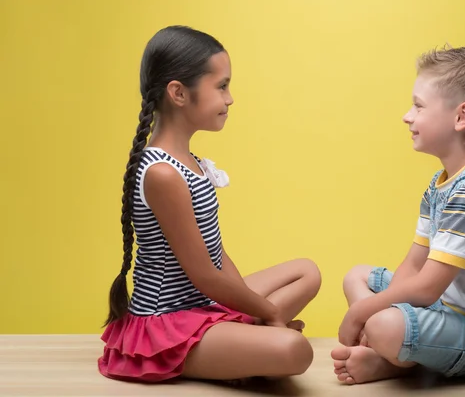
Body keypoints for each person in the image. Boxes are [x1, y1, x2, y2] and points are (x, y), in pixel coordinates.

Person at [98, 25, 321, 384]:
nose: (230, 98)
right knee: (295, 349)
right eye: (221, 86)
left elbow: (215, 254)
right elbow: (203, 275)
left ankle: (242, 350)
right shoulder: (162, 173)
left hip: (205, 304)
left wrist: (255, 309)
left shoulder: (192, 162)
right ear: (178, 93)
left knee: (307, 271)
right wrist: (272, 315)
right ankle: (237, 352)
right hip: (168, 323)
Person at [332, 46, 465, 384]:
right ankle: (388, 349)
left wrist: (364, 312)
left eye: (418, 105)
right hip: (451, 309)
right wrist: (372, 312)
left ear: (461, 117)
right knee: (356, 277)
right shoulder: (441, 183)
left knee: (382, 323)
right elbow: (413, 266)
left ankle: (390, 354)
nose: (407, 115)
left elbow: (428, 288)